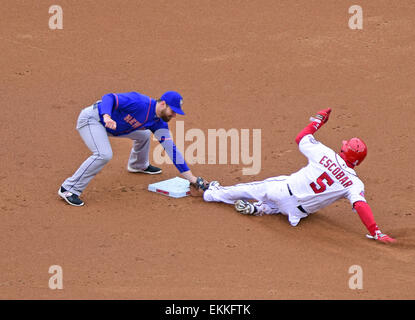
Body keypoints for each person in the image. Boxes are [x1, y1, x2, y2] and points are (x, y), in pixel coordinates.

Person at [202, 108, 395, 243]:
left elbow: (300, 138)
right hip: (296, 214)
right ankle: (261, 209)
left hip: (281, 191)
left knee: (251, 188)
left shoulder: (325, 153)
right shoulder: (354, 183)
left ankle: (212, 194)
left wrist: (318, 121)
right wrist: (375, 232)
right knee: (285, 203)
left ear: (344, 151)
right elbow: (360, 205)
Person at [59, 90, 202, 206]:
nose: (175, 115)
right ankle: (69, 189)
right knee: (104, 154)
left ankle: (138, 165)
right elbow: (109, 98)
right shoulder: (139, 102)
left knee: (144, 134)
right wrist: (107, 116)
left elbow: (171, 150)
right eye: (173, 111)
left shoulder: (159, 123)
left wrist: (192, 179)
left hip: (116, 127)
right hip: (93, 120)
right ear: (163, 104)